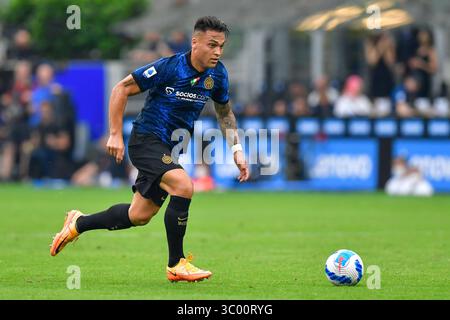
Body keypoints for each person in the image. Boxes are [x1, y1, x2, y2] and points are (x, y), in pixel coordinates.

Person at [50, 16, 249, 282]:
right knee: (183, 186)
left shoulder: (218, 74)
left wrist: (236, 148)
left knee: (139, 215)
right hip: (146, 140)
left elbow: (224, 112)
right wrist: (114, 134)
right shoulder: (169, 67)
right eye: (212, 45)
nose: (218, 52)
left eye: (221, 46)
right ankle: (176, 265)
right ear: (195, 42)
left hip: (170, 149)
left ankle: (78, 223)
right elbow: (121, 88)